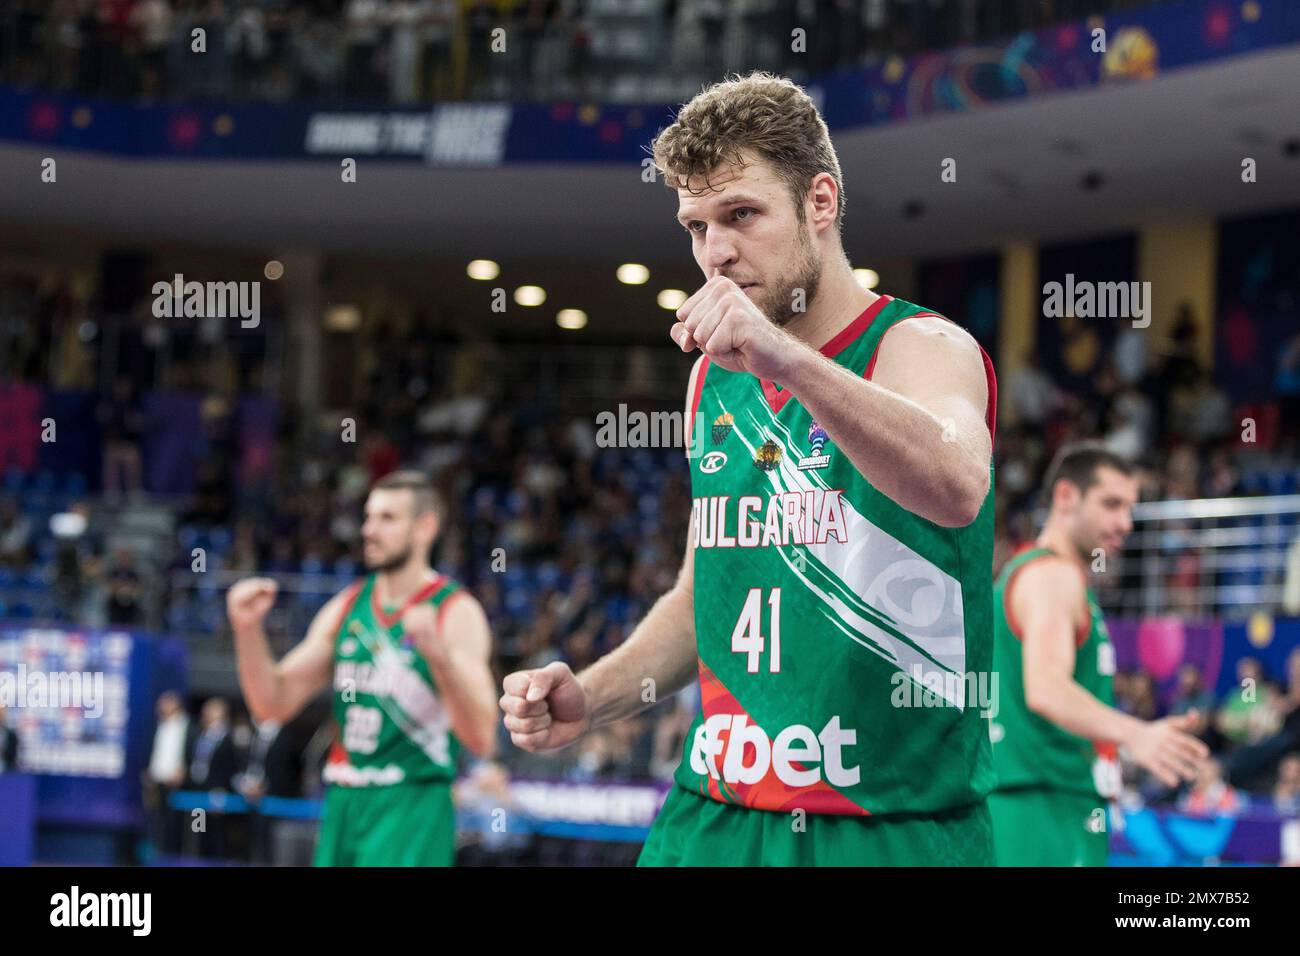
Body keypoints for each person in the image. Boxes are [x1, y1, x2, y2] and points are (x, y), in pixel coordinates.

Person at [502, 72, 1000, 865]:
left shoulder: (923, 347)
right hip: (717, 812)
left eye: (741, 215)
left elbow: (957, 485)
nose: (716, 252)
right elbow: (705, 596)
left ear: (821, 202)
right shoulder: (714, 377)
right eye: (695, 226)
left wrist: (788, 359)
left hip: (886, 823)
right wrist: (589, 698)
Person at [227, 470, 497, 866]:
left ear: (425, 527)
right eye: (368, 517)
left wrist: (438, 657)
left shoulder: (456, 611)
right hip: (345, 799)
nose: (369, 530)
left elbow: (482, 737)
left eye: (387, 518)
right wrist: (247, 630)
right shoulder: (347, 606)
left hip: (411, 800)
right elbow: (272, 704)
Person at [988, 443, 1210, 866]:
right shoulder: (1052, 576)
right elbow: (1046, 689)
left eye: (1130, 509)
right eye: (1111, 504)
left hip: (1050, 802)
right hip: (1040, 807)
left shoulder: (1047, 575)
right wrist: (1137, 734)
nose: (1125, 523)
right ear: (1066, 496)